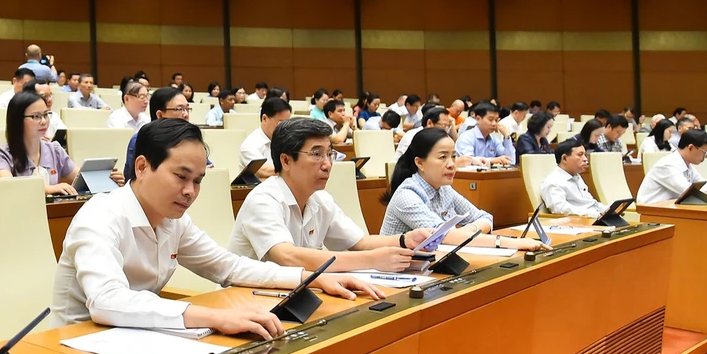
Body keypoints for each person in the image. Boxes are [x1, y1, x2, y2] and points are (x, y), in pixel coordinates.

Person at [51, 119, 381, 337]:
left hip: (142, 334)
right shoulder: (100, 216)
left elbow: (228, 267)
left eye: (198, 181)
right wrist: (213, 316)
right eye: (181, 177)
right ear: (142, 166)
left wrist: (312, 278)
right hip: (80, 342)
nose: (190, 191)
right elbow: (107, 300)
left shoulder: (175, 220)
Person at [230, 118, 431, 275]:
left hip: (296, 295)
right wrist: (372, 259)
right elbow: (287, 257)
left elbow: (359, 243)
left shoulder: (321, 199)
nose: (327, 164)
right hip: (244, 300)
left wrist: (405, 239)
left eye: (329, 154)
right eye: (317, 154)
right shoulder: (263, 200)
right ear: (286, 160)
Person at [379, 129, 547, 251]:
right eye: (442, 157)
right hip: (397, 271)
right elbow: (440, 237)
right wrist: (512, 243)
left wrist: (465, 232)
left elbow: (485, 217)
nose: (452, 163)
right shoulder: (407, 195)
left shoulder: (444, 189)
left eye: (453, 156)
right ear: (420, 163)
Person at [0, 90, 80, 195]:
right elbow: (8, 187)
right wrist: (49, 189)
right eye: (36, 116)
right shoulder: (2, 154)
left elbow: (81, 178)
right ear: (18, 120)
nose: (44, 121)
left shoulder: (55, 150)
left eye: (46, 114)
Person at [123, 86, 200, 182]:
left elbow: (208, 167)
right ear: (159, 115)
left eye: (187, 109)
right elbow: (131, 181)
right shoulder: (141, 140)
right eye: (179, 109)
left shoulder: (191, 139)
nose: (186, 114)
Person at [540, 140, 608, 218]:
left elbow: (591, 203)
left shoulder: (576, 177)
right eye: (580, 155)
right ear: (564, 158)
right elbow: (560, 209)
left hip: (594, 218)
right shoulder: (553, 182)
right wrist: (592, 215)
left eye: (585, 155)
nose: (585, 159)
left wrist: (608, 209)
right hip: (581, 223)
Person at [238, 98, 294, 180]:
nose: (285, 128)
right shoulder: (250, 144)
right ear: (264, 119)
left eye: (287, 123)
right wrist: (295, 169)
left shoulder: (287, 139)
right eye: (281, 123)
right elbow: (263, 170)